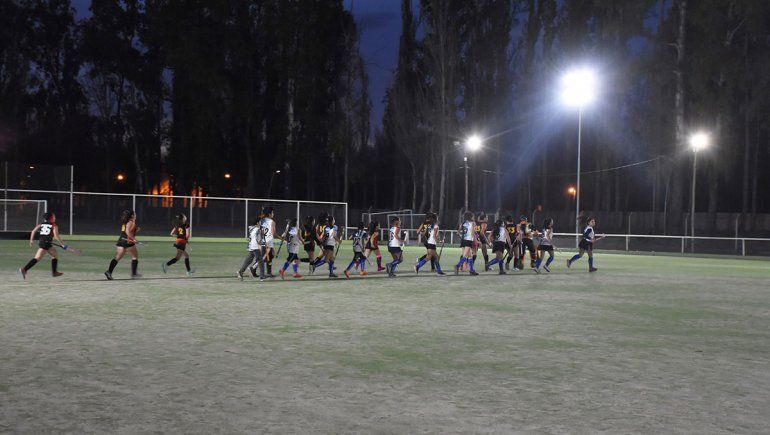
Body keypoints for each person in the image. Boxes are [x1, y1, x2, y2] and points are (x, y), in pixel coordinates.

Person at [19, 212, 66, 279]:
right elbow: (56, 236)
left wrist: (31, 240)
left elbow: (33, 231)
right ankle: (24, 269)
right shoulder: (54, 225)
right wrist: (62, 244)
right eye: (54, 217)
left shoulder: (41, 224)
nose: (55, 218)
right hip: (46, 243)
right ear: (51, 218)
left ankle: (54, 272)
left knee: (53, 254)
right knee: (39, 258)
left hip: (42, 242)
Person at [105, 210, 141, 280]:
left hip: (121, 241)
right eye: (135, 214)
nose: (136, 215)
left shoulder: (126, 222)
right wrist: (133, 239)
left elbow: (127, 231)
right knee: (135, 256)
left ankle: (109, 272)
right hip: (128, 242)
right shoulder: (131, 222)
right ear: (132, 216)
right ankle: (134, 274)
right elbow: (127, 231)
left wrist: (136, 230)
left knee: (117, 258)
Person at [260, 207, 278, 278]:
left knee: (269, 257)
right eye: (272, 213)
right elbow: (273, 233)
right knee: (264, 257)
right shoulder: (272, 222)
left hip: (263, 240)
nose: (273, 214)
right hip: (269, 242)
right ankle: (253, 268)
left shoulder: (262, 220)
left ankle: (269, 273)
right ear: (269, 214)